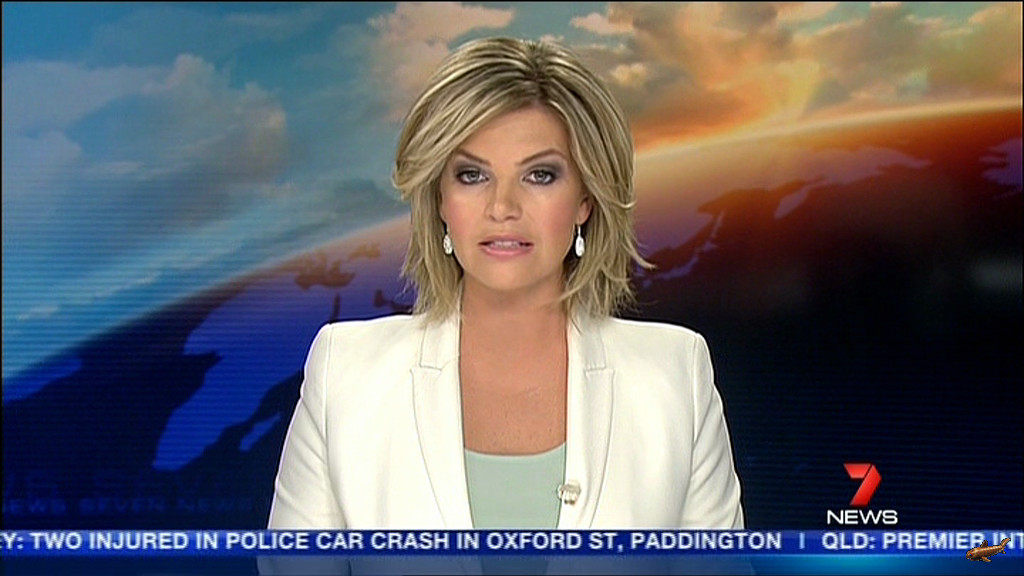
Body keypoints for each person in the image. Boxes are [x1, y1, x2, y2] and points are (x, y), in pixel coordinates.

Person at [266, 36, 743, 533]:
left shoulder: (674, 375)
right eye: (472, 175)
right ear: (440, 199)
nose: (502, 208)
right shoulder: (346, 374)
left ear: (586, 199)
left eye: (540, 175)